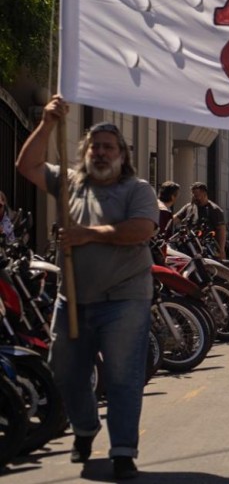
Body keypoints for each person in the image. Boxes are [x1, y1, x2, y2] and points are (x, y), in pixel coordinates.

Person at [16, 97, 158, 480]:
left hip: (125, 299)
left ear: (122, 155)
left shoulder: (138, 189)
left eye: (108, 147)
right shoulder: (70, 182)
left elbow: (142, 230)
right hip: (73, 298)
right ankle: (84, 427)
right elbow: (26, 166)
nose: (101, 152)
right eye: (94, 146)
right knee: (65, 371)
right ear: (84, 152)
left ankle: (123, 451)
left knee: (122, 377)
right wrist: (47, 123)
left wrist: (87, 235)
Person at [173, 182, 227, 260]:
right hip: (190, 247)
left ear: (204, 193)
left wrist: (221, 250)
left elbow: (221, 230)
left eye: (196, 195)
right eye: (193, 194)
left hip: (207, 249)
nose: (194, 197)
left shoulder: (214, 210)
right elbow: (174, 219)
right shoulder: (189, 207)